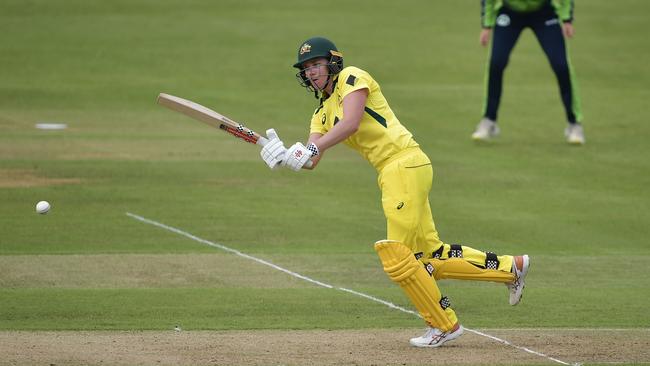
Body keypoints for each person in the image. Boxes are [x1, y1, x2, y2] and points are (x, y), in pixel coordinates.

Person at [260, 36, 531, 348]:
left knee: (397, 258)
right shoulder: (320, 113)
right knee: (430, 256)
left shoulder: (353, 78)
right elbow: (311, 160)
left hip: (403, 164)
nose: (311, 72)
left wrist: (308, 147)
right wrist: (284, 157)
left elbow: (350, 123)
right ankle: (512, 268)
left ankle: (444, 324)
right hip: (394, 172)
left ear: (332, 63)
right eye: (306, 68)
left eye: (316, 64)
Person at [472, 0, 585, 145]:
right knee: (496, 63)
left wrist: (566, 19)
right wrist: (487, 25)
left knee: (561, 66)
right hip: (510, 12)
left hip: (543, 12)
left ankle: (574, 124)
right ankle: (488, 121)